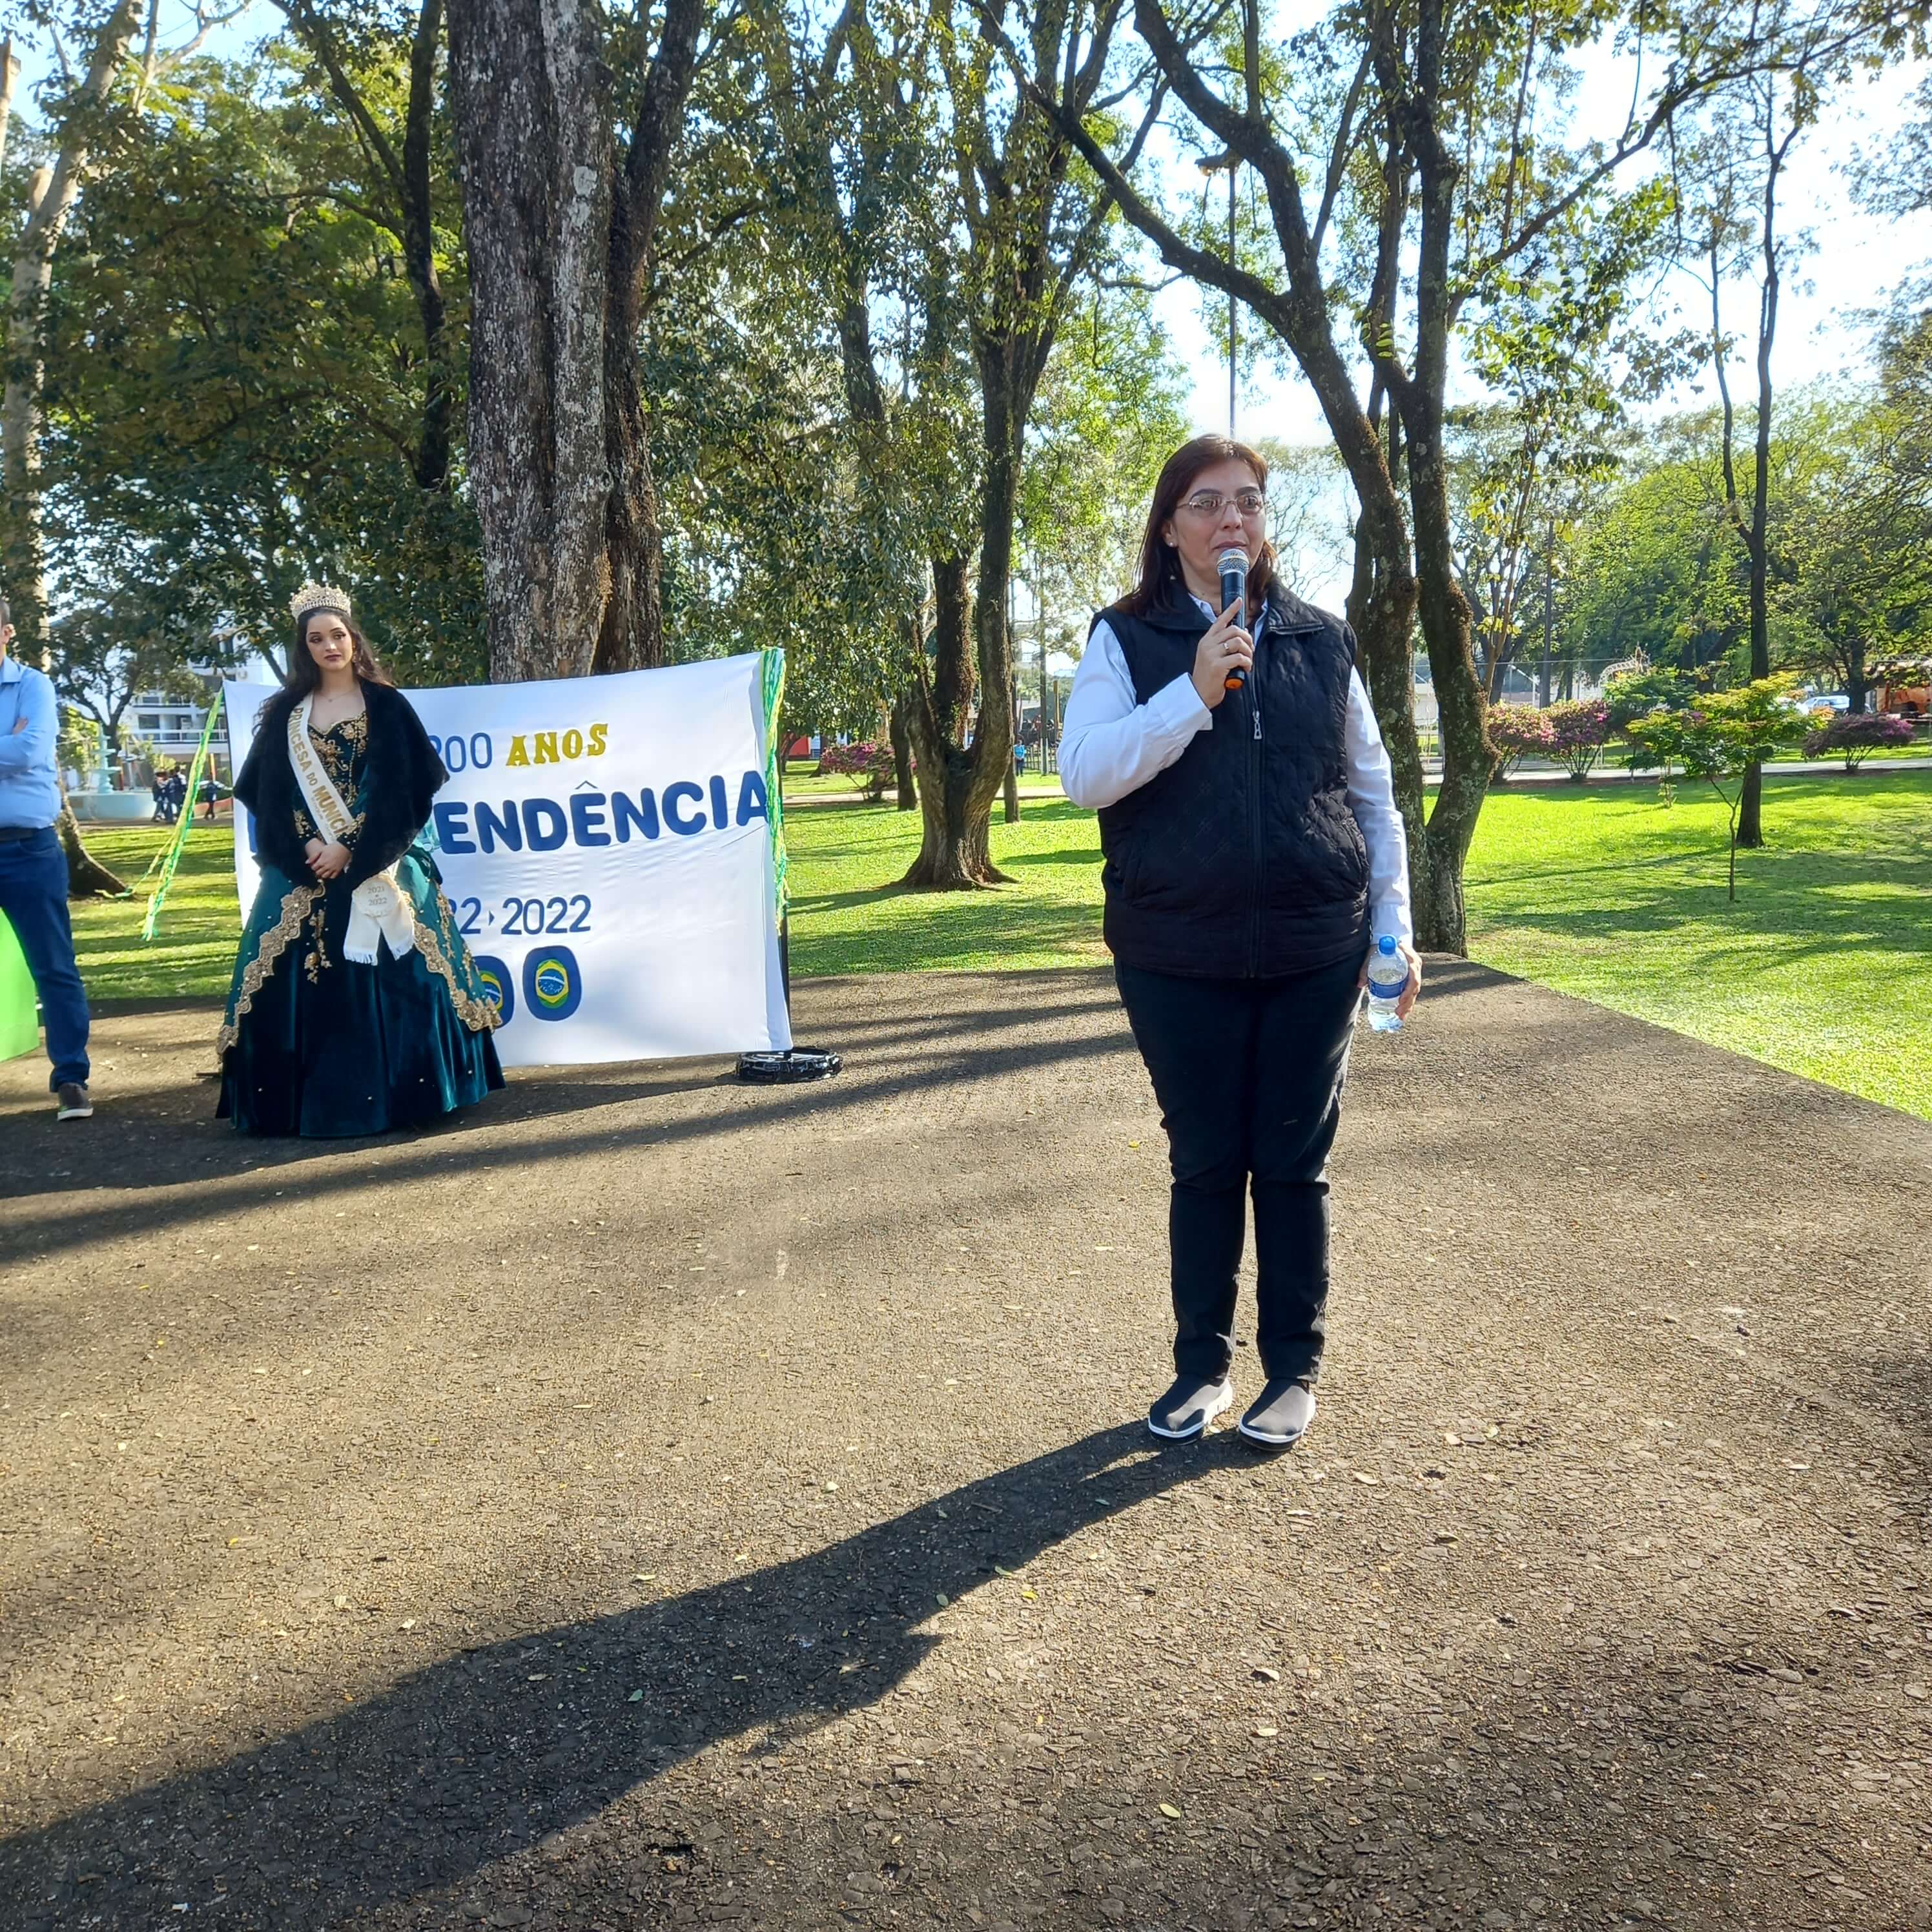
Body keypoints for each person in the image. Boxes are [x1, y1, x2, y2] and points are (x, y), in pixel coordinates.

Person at [1060, 436, 1422, 1453]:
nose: (1232, 521)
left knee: (1294, 1162)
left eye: (1250, 503)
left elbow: (1372, 795)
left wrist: (1393, 928)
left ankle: (1292, 1370)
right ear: (1170, 525)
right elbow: (1084, 773)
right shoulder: (1125, 641)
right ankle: (1201, 1368)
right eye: (1208, 503)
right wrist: (1192, 690)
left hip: (1317, 949)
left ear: (1266, 524)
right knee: (1208, 1161)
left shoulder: (1320, 640)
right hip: (1177, 957)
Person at [218, 581, 504, 1136]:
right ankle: (296, 1102)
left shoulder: (388, 705)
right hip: (304, 864)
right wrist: (306, 848)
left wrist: (351, 846)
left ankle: (412, 1096)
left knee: (409, 968)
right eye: (316, 639)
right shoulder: (284, 715)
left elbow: (405, 789)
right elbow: (271, 796)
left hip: (380, 858)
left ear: (354, 640)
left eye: (338, 635)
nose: (330, 647)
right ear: (304, 648)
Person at [0, 596, 93, 1120]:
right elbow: (11, 752)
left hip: (28, 849)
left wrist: (16, 747)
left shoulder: (33, 685)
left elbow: (30, 751)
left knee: (53, 968)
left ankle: (71, 1079)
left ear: (8, 633)